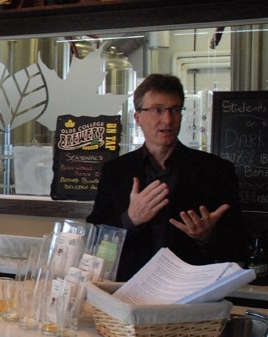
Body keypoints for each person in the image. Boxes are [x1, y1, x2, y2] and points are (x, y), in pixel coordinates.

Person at [87, 73, 247, 281]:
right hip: (128, 287)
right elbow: (95, 240)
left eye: (175, 110)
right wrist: (130, 219)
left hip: (190, 289)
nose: (168, 119)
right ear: (138, 118)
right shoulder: (115, 171)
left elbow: (237, 242)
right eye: (158, 110)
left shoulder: (215, 170)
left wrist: (206, 236)